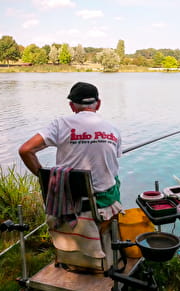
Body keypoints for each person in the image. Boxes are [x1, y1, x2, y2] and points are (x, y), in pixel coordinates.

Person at [19, 81, 122, 209]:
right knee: (115, 178)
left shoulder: (60, 125)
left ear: (72, 106)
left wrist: (44, 178)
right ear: (98, 104)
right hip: (105, 204)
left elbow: (25, 150)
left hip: (70, 201)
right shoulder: (113, 129)